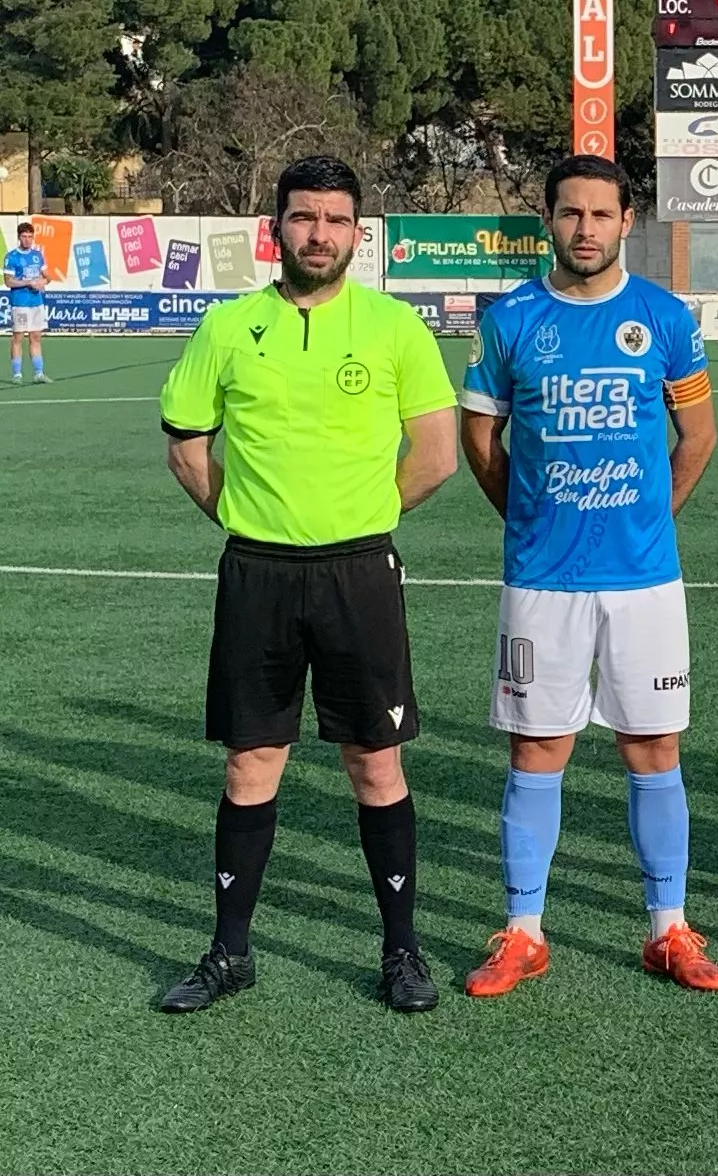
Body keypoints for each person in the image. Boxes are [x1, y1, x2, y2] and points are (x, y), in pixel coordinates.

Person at [156, 155, 459, 1013]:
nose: (318, 233)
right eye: (302, 217)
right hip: (257, 573)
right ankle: (229, 952)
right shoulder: (226, 327)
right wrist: (249, 517)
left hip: (359, 570)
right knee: (252, 761)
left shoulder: (396, 327)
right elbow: (187, 448)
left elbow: (434, 458)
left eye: (335, 219)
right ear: (275, 228)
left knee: (375, 761)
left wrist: (355, 517)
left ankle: (401, 950)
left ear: (358, 234)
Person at [460, 155, 718, 997]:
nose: (585, 228)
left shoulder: (664, 317)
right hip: (542, 578)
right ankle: (523, 930)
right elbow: (480, 442)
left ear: (625, 220)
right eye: (570, 213)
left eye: (600, 214)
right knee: (539, 749)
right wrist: (530, 516)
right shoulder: (510, 320)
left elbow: (698, 437)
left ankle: (669, 928)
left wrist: (651, 516)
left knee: (653, 746)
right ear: (548, 220)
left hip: (643, 578)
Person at [5, 220, 50, 384]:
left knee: (36, 336)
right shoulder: (12, 257)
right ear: (19, 237)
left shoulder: (37, 255)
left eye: (30, 237)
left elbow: (48, 277)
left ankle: (39, 373)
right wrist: (28, 282)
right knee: (18, 337)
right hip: (20, 303)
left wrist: (41, 282)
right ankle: (17, 374)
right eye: (24, 236)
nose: (27, 240)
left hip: (36, 302)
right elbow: (8, 282)